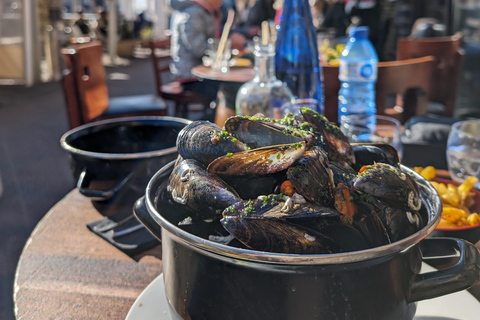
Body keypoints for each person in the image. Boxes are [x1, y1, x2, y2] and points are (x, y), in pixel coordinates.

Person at [169, 0, 223, 110]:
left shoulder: (198, 10)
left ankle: (215, 119)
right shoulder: (192, 13)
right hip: (190, 76)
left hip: (198, 73)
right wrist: (223, 46)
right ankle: (212, 122)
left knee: (225, 87)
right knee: (224, 90)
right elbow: (198, 49)